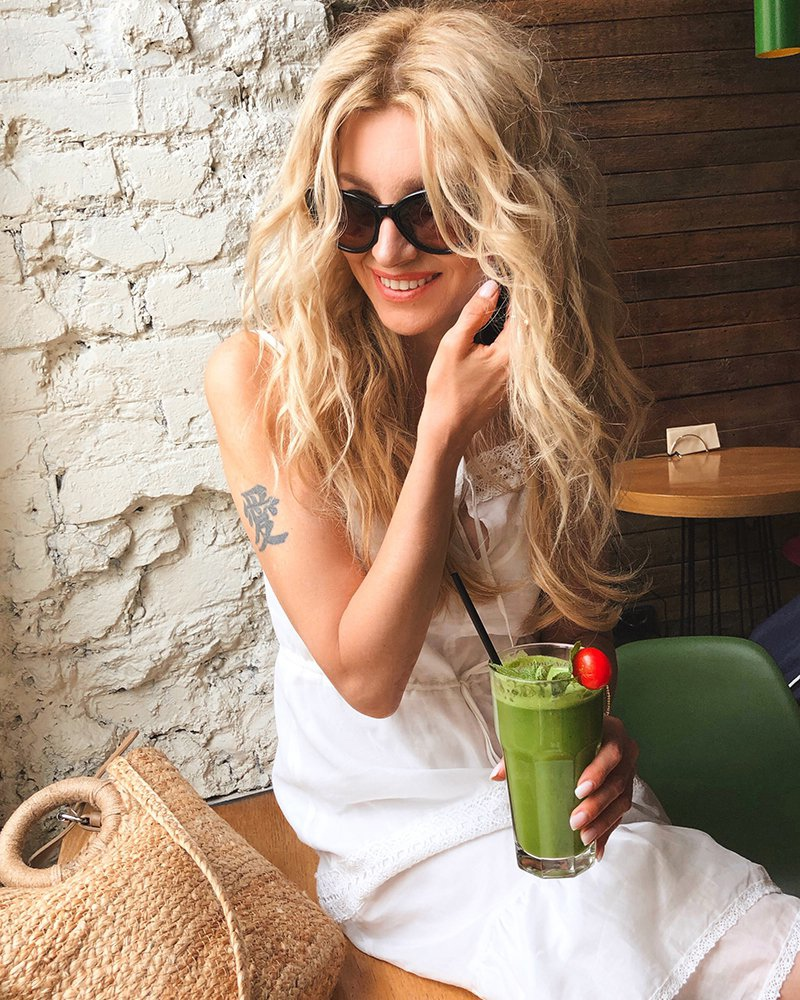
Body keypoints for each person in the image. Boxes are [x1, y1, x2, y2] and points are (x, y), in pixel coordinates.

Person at [204, 6, 800, 997]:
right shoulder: (261, 382)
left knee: (692, 923)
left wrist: (598, 724)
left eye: (428, 209)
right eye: (353, 209)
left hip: (543, 793)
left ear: (507, 206)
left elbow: (570, 622)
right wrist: (441, 432)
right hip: (396, 824)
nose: (388, 250)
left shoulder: (547, 370)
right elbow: (365, 675)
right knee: (618, 926)